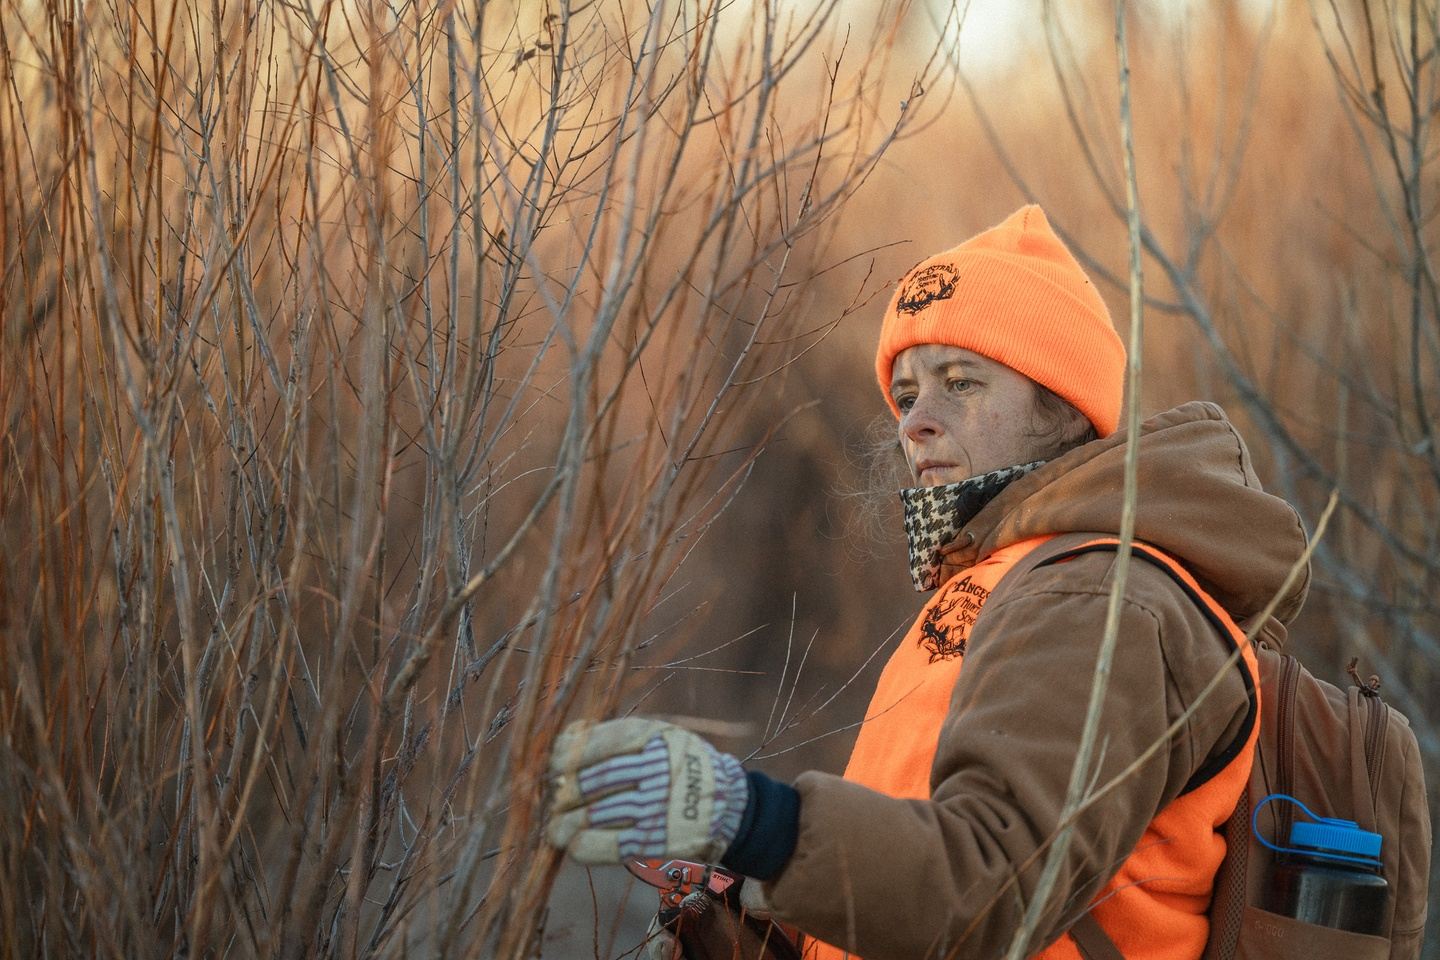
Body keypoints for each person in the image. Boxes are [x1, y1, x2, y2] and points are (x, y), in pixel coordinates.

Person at [546, 205, 1308, 960]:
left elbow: (992, 892)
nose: (916, 422)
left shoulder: (1099, 596)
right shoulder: (1006, 581)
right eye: (906, 394)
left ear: (1065, 406)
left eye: (961, 382)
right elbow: (922, 896)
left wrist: (752, 820)